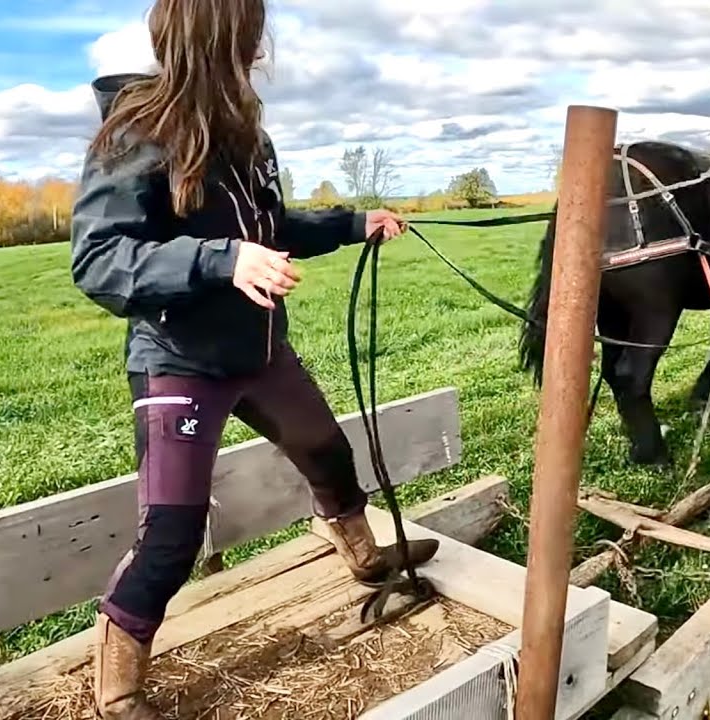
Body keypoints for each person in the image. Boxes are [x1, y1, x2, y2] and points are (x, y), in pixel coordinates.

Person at [68, 1, 438, 716]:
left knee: (327, 452)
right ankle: (119, 677)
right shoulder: (133, 132)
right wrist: (221, 259)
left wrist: (355, 223)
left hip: (261, 352)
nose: (260, 43)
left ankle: (360, 553)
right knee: (173, 532)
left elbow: (269, 226)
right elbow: (100, 259)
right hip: (177, 359)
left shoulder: (247, 134)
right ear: (225, 35)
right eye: (251, 28)